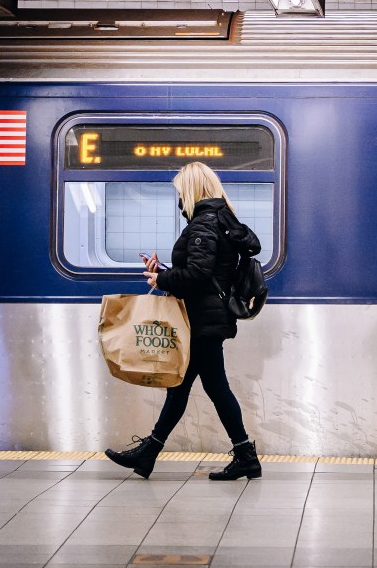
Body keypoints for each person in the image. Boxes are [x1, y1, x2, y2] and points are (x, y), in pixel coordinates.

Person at [105, 161, 262, 481]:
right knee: (192, 387)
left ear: (191, 190)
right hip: (206, 319)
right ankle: (153, 452)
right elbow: (207, 272)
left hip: (202, 321)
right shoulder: (220, 221)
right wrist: (163, 271)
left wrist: (161, 280)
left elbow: (198, 275)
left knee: (207, 387)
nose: (178, 199)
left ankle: (241, 455)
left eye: (180, 192)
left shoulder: (204, 224)